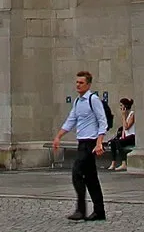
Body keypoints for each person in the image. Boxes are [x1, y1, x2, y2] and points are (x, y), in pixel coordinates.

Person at [52, 70, 109, 220]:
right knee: (91, 177)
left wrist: (99, 143)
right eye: (77, 82)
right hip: (82, 141)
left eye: (81, 82)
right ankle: (99, 211)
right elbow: (71, 120)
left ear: (88, 84)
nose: (78, 85)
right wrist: (58, 136)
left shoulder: (93, 99)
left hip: (90, 143)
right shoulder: (78, 102)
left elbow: (102, 121)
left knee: (77, 172)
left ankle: (81, 209)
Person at [107, 97, 136, 171]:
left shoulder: (132, 114)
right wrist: (121, 137)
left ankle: (124, 163)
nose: (120, 107)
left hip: (132, 137)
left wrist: (123, 116)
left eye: (121, 105)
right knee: (113, 142)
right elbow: (123, 129)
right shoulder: (126, 115)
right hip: (127, 137)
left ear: (125, 106)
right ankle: (113, 163)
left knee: (118, 142)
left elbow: (126, 127)